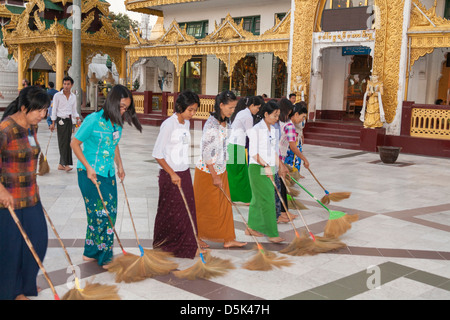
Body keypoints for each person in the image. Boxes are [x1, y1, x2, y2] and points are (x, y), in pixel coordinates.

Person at [70, 84, 142, 268]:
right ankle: (104, 256)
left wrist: (120, 165)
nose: (124, 110)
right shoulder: (93, 120)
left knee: (102, 214)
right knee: (103, 214)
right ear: (111, 101)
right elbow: (75, 144)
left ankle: (90, 252)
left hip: (108, 173)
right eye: (121, 106)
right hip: (90, 174)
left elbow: (114, 144)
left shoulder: (117, 122)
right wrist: (87, 167)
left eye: (126, 107)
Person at [0, 86, 50, 300]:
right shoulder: (5, 129)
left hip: (30, 195)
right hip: (8, 200)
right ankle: (12, 291)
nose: (43, 115)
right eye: (39, 110)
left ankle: (26, 283)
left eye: (45, 110)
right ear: (23, 108)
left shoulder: (32, 127)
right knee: (12, 249)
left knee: (38, 241)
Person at [194, 91, 247, 249]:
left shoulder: (227, 121)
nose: (232, 111)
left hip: (221, 169)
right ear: (221, 105)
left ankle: (228, 238)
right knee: (204, 207)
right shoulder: (211, 124)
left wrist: (221, 171)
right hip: (207, 172)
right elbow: (206, 152)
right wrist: (214, 175)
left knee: (225, 205)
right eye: (230, 107)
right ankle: (197, 236)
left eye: (234, 108)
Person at [152, 90, 200, 259]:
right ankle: (166, 244)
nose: (193, 114)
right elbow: (158, 153)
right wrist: (172, 173)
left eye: (195, 110)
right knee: (171, 211)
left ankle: (188, 245)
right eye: (190, 110)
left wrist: (181, 171)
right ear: (180, 107)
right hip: (169, 175)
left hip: (184, 172)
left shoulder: (185, 123)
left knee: (187, 211)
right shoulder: (169, 124)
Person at [246, 100, 287, 243]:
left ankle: (251, 227)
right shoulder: (256, 130)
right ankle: (272, 233)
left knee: (258, 199)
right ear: (266, 114)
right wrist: (266, 166)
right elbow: (253, 153)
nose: (277, 118)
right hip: (258, 168)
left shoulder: (273, 130)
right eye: (274, 115)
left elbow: (273, 151)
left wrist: (280, 165)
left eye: (278, 116)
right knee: (269, 197)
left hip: (269, 166)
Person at [227, 96, 261, 204]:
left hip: (233, 144)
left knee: (233, 172)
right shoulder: (248, 116)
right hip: (237, 146)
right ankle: (246, 198)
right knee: (241, 172)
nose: (258, 110)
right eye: (257, 107)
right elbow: (250, 134)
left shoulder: (242, 112)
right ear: (251, 106)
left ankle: (230, 196)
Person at [50, 76, 81, 171]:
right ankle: (66, 164)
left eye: (68, 84)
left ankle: (61, 164)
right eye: (64, 84)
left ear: (72, 85)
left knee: (67, 142)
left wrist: (78, 118)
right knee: (63, 142)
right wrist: (53, 123)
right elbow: (54, 109)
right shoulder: (57, 96)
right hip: (60, 121)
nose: (66, 86)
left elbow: (74, 110)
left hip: (69, 121)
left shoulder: (73, 97)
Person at [284, 101, 309, 179]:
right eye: (303, 116)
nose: (302, 119)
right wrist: (305, 160)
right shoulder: (290, 125)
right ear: (296, 114)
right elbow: (293, 147)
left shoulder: (285, 122)